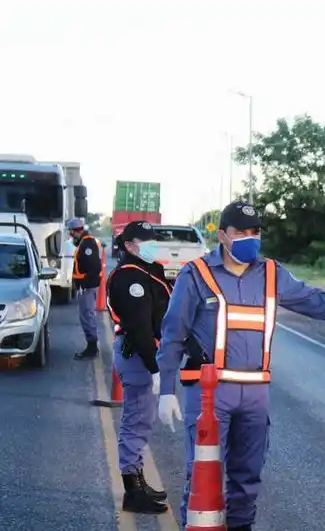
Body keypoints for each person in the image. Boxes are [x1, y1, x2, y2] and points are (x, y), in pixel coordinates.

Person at [156, 201, 325, 531]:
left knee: (247, 478)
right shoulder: (196, 275)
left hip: (254, 393)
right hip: (209, 395)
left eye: (256, 232)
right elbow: (173, 333)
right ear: (222, 235)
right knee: (203, 473)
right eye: (241, 232)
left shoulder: (272, 274)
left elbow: (316, 301)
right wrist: (166, 390)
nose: (250, 238)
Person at [107, 220, 172, 514]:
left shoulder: (144, 271)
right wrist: (154, 367)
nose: (152, 244)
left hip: (142, 357)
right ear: (130, 245)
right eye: (146, 240)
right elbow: (139, 328)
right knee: (135, 421)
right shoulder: (129, 278)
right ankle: (133, 491)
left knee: (141, 421)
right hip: (139, 358)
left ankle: (138, 481)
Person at [68, 218, 103, 360]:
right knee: (86, 316)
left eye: (71, 233)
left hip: (87, 287)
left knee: (87, 315)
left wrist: (84, 284)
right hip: (85, 286)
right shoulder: (84, 242)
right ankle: (91, 345)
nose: (70, 236)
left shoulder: (87, 244)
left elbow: (93, 267)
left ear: (75, 231)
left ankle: (92, 347)